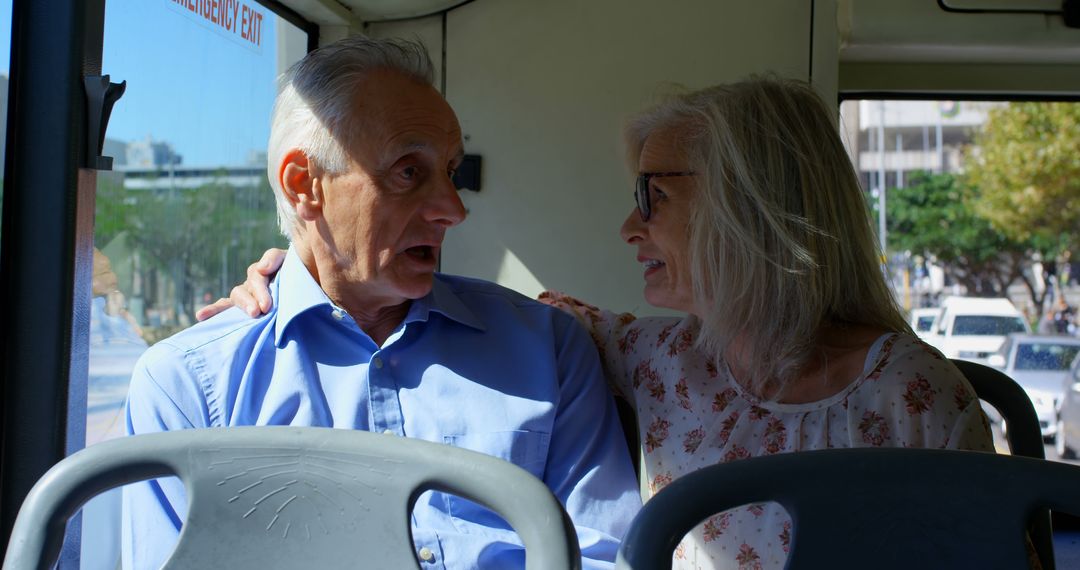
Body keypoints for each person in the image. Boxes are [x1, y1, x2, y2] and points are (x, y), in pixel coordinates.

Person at [209, 77, 995, 569]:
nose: (628, 226)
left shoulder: (918, 400)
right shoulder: (648, 356)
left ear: (752, 206)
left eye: (653, 194)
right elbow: (478, 314)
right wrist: (297, 277)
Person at [122, 36, 640, 570]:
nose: (453, 209)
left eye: (451, 171)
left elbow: (601, 556)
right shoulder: (188, 385)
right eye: (409, 171)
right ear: (304, 186)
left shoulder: (548, 348)